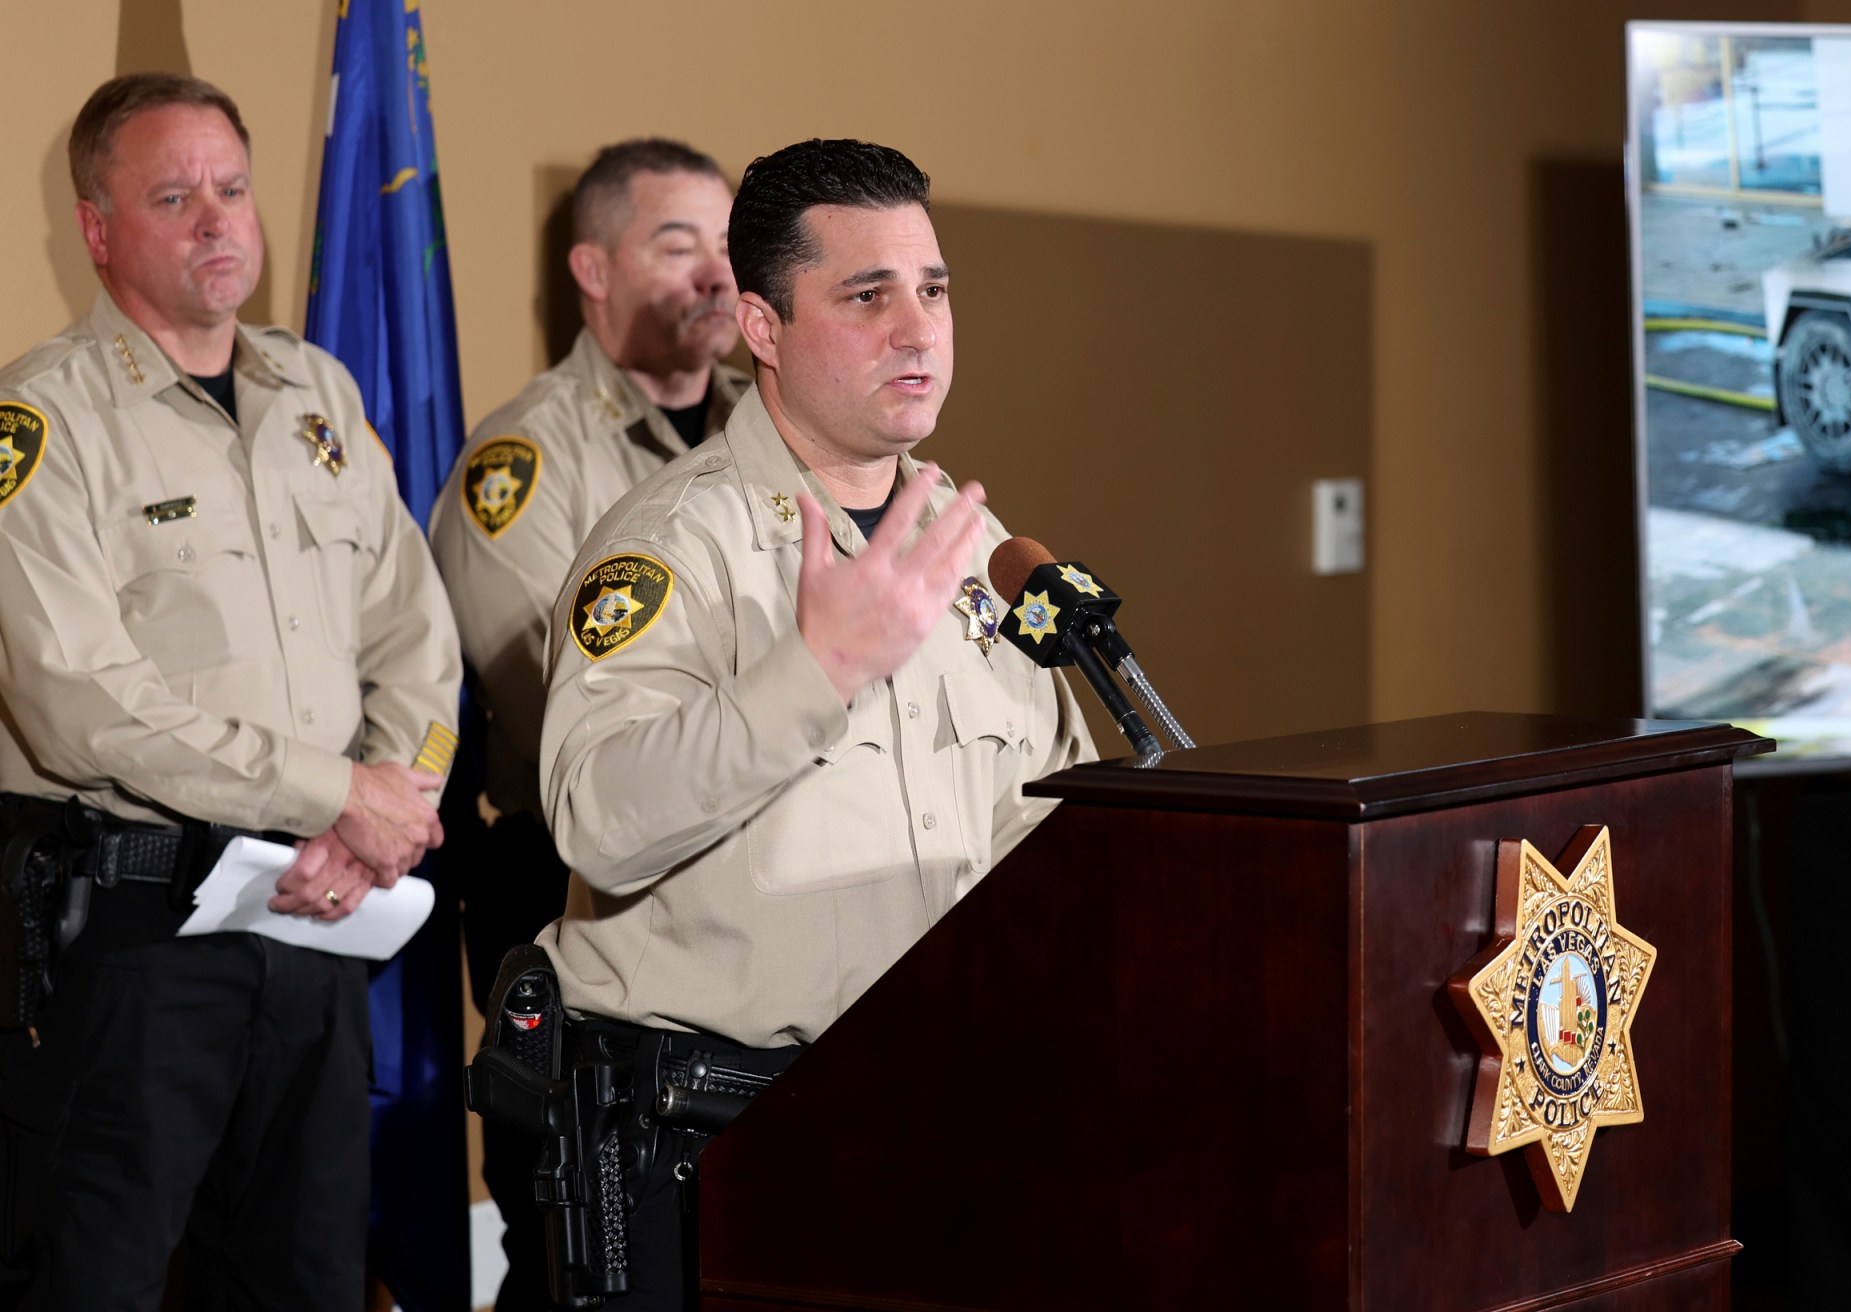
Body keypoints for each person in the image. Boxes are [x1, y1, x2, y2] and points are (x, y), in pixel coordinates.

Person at [528, 137, 1093, 1306]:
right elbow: (598, 822)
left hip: (937, 1123)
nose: (918, 330)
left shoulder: (976, 550)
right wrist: (816, 673)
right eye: (867, 296)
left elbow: (1054, 827)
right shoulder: (669, 547)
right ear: (763, 327)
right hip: (716, 1137)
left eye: (933, 290)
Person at [0, 73, 460, 1308]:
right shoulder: (40, 421)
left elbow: (417, 633)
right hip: (137, 942)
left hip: (320, 921)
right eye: (172, 197)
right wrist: (335, 797)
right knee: (94, 1283)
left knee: (308, 1282)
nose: (217, 219)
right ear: (96, 230)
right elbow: (80, 703)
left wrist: (385, 812)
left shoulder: (319, 394)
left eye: (233, 188)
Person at [426, 138, 748, 1310]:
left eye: (727, 246)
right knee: (581, 1255)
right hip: (571, 898)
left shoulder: (766, 435)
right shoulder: (525, 460)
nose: (716, 274)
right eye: (677, 245)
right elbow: (567, 711)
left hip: (745, 897)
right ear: (593, 270)